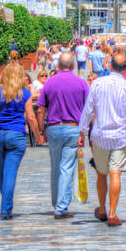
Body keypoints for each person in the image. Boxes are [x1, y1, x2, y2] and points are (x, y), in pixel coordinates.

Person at [78, 49, 126, 227]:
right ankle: (113, 214)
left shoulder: (97, 84)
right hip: (120, 136)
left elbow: (88, 109)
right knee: (115, 173)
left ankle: (103, 209)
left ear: (110, 66)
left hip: (99, 136)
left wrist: (82, 132)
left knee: (101, 173)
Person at [0, 62, 43, 220]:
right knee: (10, 173)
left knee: (2, 171)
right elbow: (30, 116)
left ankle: (6, 203)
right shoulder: (25, 93)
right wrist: (38, 136)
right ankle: (6, 209)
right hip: (16, 135)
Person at [35, 51, 88, 219]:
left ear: (58, 66)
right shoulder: (81, 83)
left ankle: (58, 203)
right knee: (66, 168)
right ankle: (61, 207)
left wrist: (41, 131)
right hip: (72, 128)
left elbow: (41, 109)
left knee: (56, 167)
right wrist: (84, 132)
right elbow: (87, 110)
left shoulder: (50, 83)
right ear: (73, 65)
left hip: (53, 128)